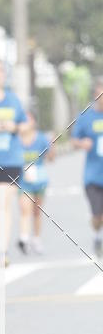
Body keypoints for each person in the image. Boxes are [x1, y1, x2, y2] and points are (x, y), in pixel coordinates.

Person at [0, 58, 27, 262]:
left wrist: (14, 127)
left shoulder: (13, 99)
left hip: (9, 160)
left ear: (4, 75)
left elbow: (25, 126)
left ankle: (1, 250)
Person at [72, 77, 103, 257]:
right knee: (97, 215)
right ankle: (97, 235)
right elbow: (74, 140)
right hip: (93, 176)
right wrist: (82, 143)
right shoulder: (86, 116)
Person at [18, 111, 54, 254]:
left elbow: (51, 158)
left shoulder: (41, 138)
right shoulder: (16, 139)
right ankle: (24, 239)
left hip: (40, 180)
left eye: (28, 120)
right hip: (23, 181)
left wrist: (52, 145)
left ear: (33, 122)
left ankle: (36, 239)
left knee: (37, 211)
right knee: (24, 209)